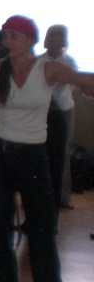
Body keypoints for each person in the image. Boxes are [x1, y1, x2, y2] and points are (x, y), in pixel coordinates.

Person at [0, 15, 94, 282]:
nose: (7, 41)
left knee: (41, 227)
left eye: (15, 36)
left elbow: (80, 79)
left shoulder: (47, 68)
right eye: (5, 36)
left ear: (30, 40)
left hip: (33, 155)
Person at [42, 25, 78, 210]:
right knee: (42, 150)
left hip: (64, 108)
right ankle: (40, 194)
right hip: (43, 110)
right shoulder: (40, 60)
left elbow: (72, 83)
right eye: (57, 35)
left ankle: (62, 196)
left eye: (64, 35)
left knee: (63, 152)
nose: (61, 39)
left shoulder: (69, 61)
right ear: (49, 38)